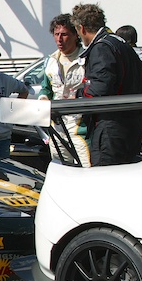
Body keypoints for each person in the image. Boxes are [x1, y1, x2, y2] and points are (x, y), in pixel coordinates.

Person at [71, 3, 142, 166]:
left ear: (81, 29)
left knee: (104, 180)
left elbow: (99, 90)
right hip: (134, 126)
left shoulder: (101, 47)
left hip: (111, 129)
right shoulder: (120, 43)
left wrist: (76, 96)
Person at [38, 13, 90, 166]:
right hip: (57, 127)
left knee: (88, 169)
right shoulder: (51, 60)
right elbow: (45, 89)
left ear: (75, 35)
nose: (59, 39)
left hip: (81, 127)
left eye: (64, 34)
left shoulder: (87, 58)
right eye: (56, 34)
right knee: (61, 168)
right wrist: (43, 100)